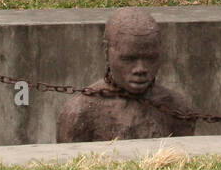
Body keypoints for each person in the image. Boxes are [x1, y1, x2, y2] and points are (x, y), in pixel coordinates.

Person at [57, 9, 197, 142]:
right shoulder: (80, 113)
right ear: (106, 52)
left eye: (150, 58)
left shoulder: (178, 109)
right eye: (128, 59)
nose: (140, 69)